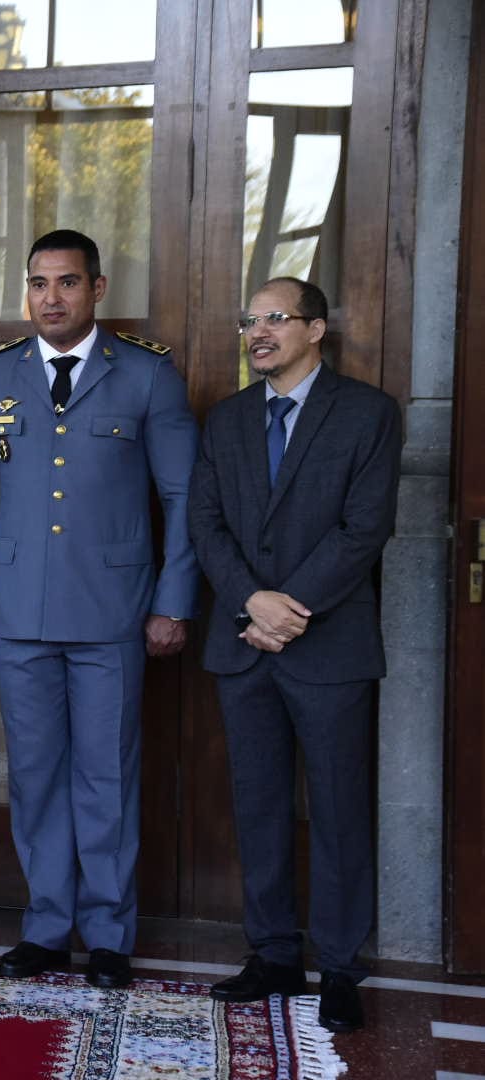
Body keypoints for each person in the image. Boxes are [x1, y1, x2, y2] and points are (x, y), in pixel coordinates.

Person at [0, 229, 199, 989]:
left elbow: (182, 499)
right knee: (36, 776)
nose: (51, 298)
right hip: (16, 613)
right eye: (39, 284)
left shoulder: (147, 377)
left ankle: (110, 935)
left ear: (97, 288)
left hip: (114, 613)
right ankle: (48, 928)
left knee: (106, 777)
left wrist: (172, 601)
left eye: (67, 283)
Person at [188, 277, 401, 1033]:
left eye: (276, 318)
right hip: (246, 646)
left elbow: (364, 529)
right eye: (251, 319)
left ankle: (340, 967)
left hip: (329, 647)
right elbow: (205, 525)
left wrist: (287, 608)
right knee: (260, 806)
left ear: (317, 330)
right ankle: (273, 953)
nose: (259, 331)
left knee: (340, 810)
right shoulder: (227, 420)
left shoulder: (368, 414)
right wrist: (253, 601)